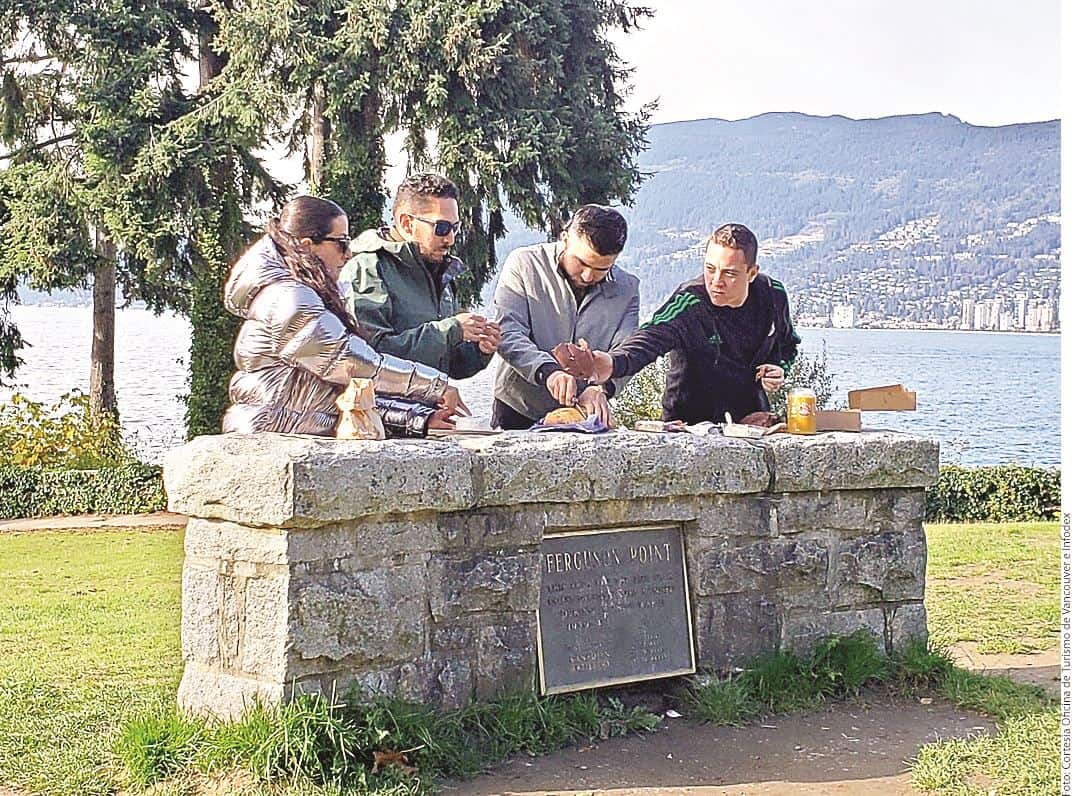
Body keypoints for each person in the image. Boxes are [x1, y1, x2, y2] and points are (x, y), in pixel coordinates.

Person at [222, 195, 467, 437]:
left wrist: (419, 418)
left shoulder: (308, 294)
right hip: (268, 447)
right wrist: (435, 385)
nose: (348, 253)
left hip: (286, 439)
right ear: (307, 246)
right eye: (341, 243)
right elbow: (352, 363)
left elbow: (344, 394)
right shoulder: (289, 299)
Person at [553, 223, 799, 425]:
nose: (716, 281)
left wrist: (779, 368)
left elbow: (788, 345)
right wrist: (610, 363)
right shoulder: (690, 300)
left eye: (729, 274)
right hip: (689, 425)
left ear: (752, 273)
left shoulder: (773, 295)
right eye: (710, 269)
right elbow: (650, 337)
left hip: (751, 420)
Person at [491, 204, 640, 429]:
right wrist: (547, 371)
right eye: (581, 262)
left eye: (602, 269)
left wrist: (601, 387)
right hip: (518, 408)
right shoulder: (524, 264)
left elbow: (627, 351)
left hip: (583, 414)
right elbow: (508, 332)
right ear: (565, 238)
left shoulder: (627, 289)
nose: (589, 275)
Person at [343, 173, 500, 379]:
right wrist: (451, 331)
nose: (450, 239)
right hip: (380, 409)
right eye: (441, 228)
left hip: (429, 408)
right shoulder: (367, 268)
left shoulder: (439, 270)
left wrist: (480, 351)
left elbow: (448, 364)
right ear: (407, 223)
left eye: (455, 228)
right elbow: (369, 356)